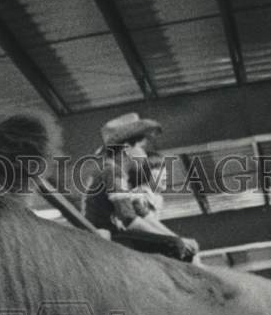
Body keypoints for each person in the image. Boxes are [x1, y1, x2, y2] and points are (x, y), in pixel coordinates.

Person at [82, 112, 199, 262]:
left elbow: (142, 214)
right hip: (105, 233)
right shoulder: (112, 171)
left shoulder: (121, 174)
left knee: (176, 242)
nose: (144, 153)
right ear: (127, 148)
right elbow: (128, 219)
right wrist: (174, 240)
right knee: (173, 245)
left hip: (115, 231)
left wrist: (177, 236)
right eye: (140, 147)